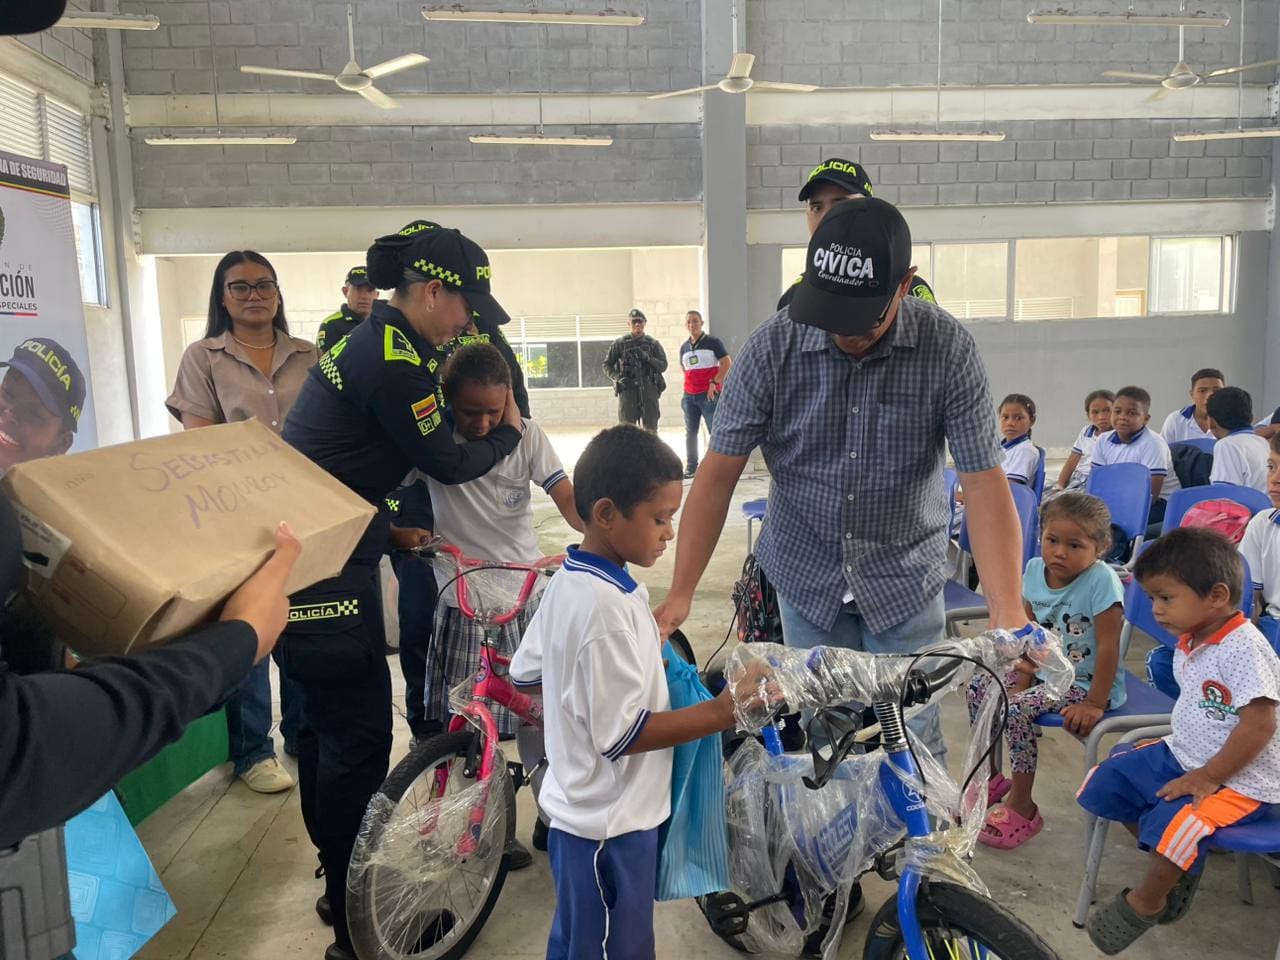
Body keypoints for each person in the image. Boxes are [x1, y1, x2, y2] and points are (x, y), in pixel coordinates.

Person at [658, 198, 1030, 766]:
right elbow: (717, 475)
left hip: (905, 579)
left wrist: (1006, 606)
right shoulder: (771, 348)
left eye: (862, 320)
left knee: (912, 744)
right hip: (807, 579)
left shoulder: (948, 349)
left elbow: (982, 482)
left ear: (905, 285)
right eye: (830, 316)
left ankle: (912, 853)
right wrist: (681, 592)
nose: (844, 336)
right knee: (826, 741)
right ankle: (837, 854)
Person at [280, 220, 523, 960]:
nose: (470, 321)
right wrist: (508, 432)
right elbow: (448, 460)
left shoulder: (382, 343)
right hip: (323, 569)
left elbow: (342, 459)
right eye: (466, 306)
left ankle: (338, 890)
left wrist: (388, 533)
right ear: (432, 291)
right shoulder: (397, 363)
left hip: (315, 552)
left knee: (326, 734)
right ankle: (359, 937)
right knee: (353, 740)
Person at [508, 425, 747, 960]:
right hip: (609, 827)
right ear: (607, 513)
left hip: (585, 814)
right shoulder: (608, 612)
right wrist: (723, 712)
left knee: (576, 938)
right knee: (620, 945)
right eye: (660, 519)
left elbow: (528, 674)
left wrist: (623, 662)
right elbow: (624, 736)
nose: (668, 534)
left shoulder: (574, 581)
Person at [1, 508, 302, 849]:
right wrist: (230, 646)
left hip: (67, 812)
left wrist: (53, 656)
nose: (64, 450)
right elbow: (15, 752)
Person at [1079, 528, 1280, 954]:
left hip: (1239, 777)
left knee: (1181, 823)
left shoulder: (1245, 647)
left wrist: (1209, 776)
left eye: (1165, 598)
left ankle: (1148, 902)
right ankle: (1176, 864)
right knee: (1108, 778)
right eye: (1152, 599)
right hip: (1184, 753)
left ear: (1217, 596)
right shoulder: (1193, 638)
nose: (1155, 610)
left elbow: (1261, 725)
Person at [166, 250, 317, 793]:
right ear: (222, 296)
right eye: (240, 286)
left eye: (264, 284)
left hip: (305, 509)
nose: (254, 295)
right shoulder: (203, 357)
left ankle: (304, 732)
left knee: (301, 621)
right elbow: (200, 441)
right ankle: (254, 751)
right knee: (251, 630)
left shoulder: (309, 354)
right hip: (238, 513)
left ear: (278, 293)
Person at [418, 342, 582, 801]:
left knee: (537, 710)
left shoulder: (527, 435)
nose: (484, 423)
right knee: (467, 718)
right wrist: (401, 533)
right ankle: (482, 819)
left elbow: (564, 495)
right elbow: (387, 486)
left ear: (509, 394)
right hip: (463, 601)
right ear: (448, 398)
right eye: (471, 412)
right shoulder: (434, 443)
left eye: (493, 411)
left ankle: (549, 807)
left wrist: (596, 537)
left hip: (523, 595)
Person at [968, 493, 1123, 850]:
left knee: (1018, 710)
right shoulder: (1035, 569)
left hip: (1085, 685)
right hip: (1046, 673)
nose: (1060, 553)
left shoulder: (1102, 582)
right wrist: (1023, 675)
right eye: (1052, 540)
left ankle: (1023, 805)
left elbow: (1111, 648)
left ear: (1100, 547)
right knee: (981, 686)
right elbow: (1030, 632)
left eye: (1075, 545)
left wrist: (1096, 702)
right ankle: (992, 778)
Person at [777, 159, 942, 313]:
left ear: (870, 211)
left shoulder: (910, 290)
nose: (828, 217)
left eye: (841, 205)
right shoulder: (793, 299)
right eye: (816, 208)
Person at [0, 337, 87, 475]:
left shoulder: (59, 495)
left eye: (32, 414)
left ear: (61, 445)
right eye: (7, 394)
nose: (11, 414)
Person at [1091, 385, 1174, 527]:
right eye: (1117, 411)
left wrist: (1116, 510)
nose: (1122, 417)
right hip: (1121, 500)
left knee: (1111, 526)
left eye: (1132, 413)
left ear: (1146, 419)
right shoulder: (1102, 440)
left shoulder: (1153, 443)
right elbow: (1098, 483)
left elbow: (1151, 496)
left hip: (1159, 504)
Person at [678, 309, 731, 479]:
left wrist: (714, 383)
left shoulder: (713, 342)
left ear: (701, 323)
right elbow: (684, 369)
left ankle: (716, 468)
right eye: (688, 322)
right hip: (689, 397)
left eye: (695, 321)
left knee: (714, 431)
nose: (691, 324)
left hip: (708, 396)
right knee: (690, 432)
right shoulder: (684, 348)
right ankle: (692, 466)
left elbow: (727, 363)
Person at [603, 309, 667, 432]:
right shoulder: (619, 344)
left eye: (640, 321)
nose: (637, 324)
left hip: (648, 390)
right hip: (628, 390)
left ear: (645, 323)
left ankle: (650, 452)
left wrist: (647, 358)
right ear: (629, 324)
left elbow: (663, 365)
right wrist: (618, 377)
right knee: (626, 429)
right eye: (634, 322)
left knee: (651, 429)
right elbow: (607, 365)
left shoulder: (653, 344)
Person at [1207, 386, 1269, 493]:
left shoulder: (1226, 445)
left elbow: (1224, 495)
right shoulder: (1264, 442)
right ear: (1250, 416)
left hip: (1251, 509)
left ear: (1211, 421)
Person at [1055, 389, 1114, 493]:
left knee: (1059, 506)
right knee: (1044, 497)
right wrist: (1060, 486)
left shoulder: (1119, 436)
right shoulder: (1086, 431)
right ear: (1088, 415)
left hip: (1099, 484)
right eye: (1095, 412)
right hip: (1077, 479)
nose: (1101, 417)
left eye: (1107, 410)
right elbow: (1071, 462)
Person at [315, 265, 377, 353]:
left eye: (370, 290)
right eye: (358, 289)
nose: (364, 296)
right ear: (345, 291)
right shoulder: (331, 324)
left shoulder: (383, 322)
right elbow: (323, 362)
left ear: (377, 295)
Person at [1160, 367, 1224, 446]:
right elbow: (1163, 453)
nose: (1209, 396)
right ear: (1192, 394)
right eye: (1202, 391)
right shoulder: (1175, 420)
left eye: (1217, 390)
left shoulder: (1234, 421)